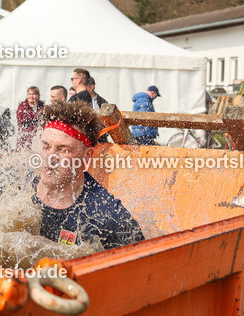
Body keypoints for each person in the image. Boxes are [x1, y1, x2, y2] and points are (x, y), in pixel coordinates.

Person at [9, 100, 144, 250]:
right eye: (46, 147)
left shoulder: (109, 216)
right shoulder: (13, 185)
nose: (50, 157)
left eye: (63, 150)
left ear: (87, 156)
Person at [15, 86, 45, 151]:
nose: (31, 96)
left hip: (39, 138)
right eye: (29, 94)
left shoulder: (42, 106)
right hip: (25, 139)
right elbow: (22, 119)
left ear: (38, 96)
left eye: (33, 94)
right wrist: (37, 115)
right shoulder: (22, 106)